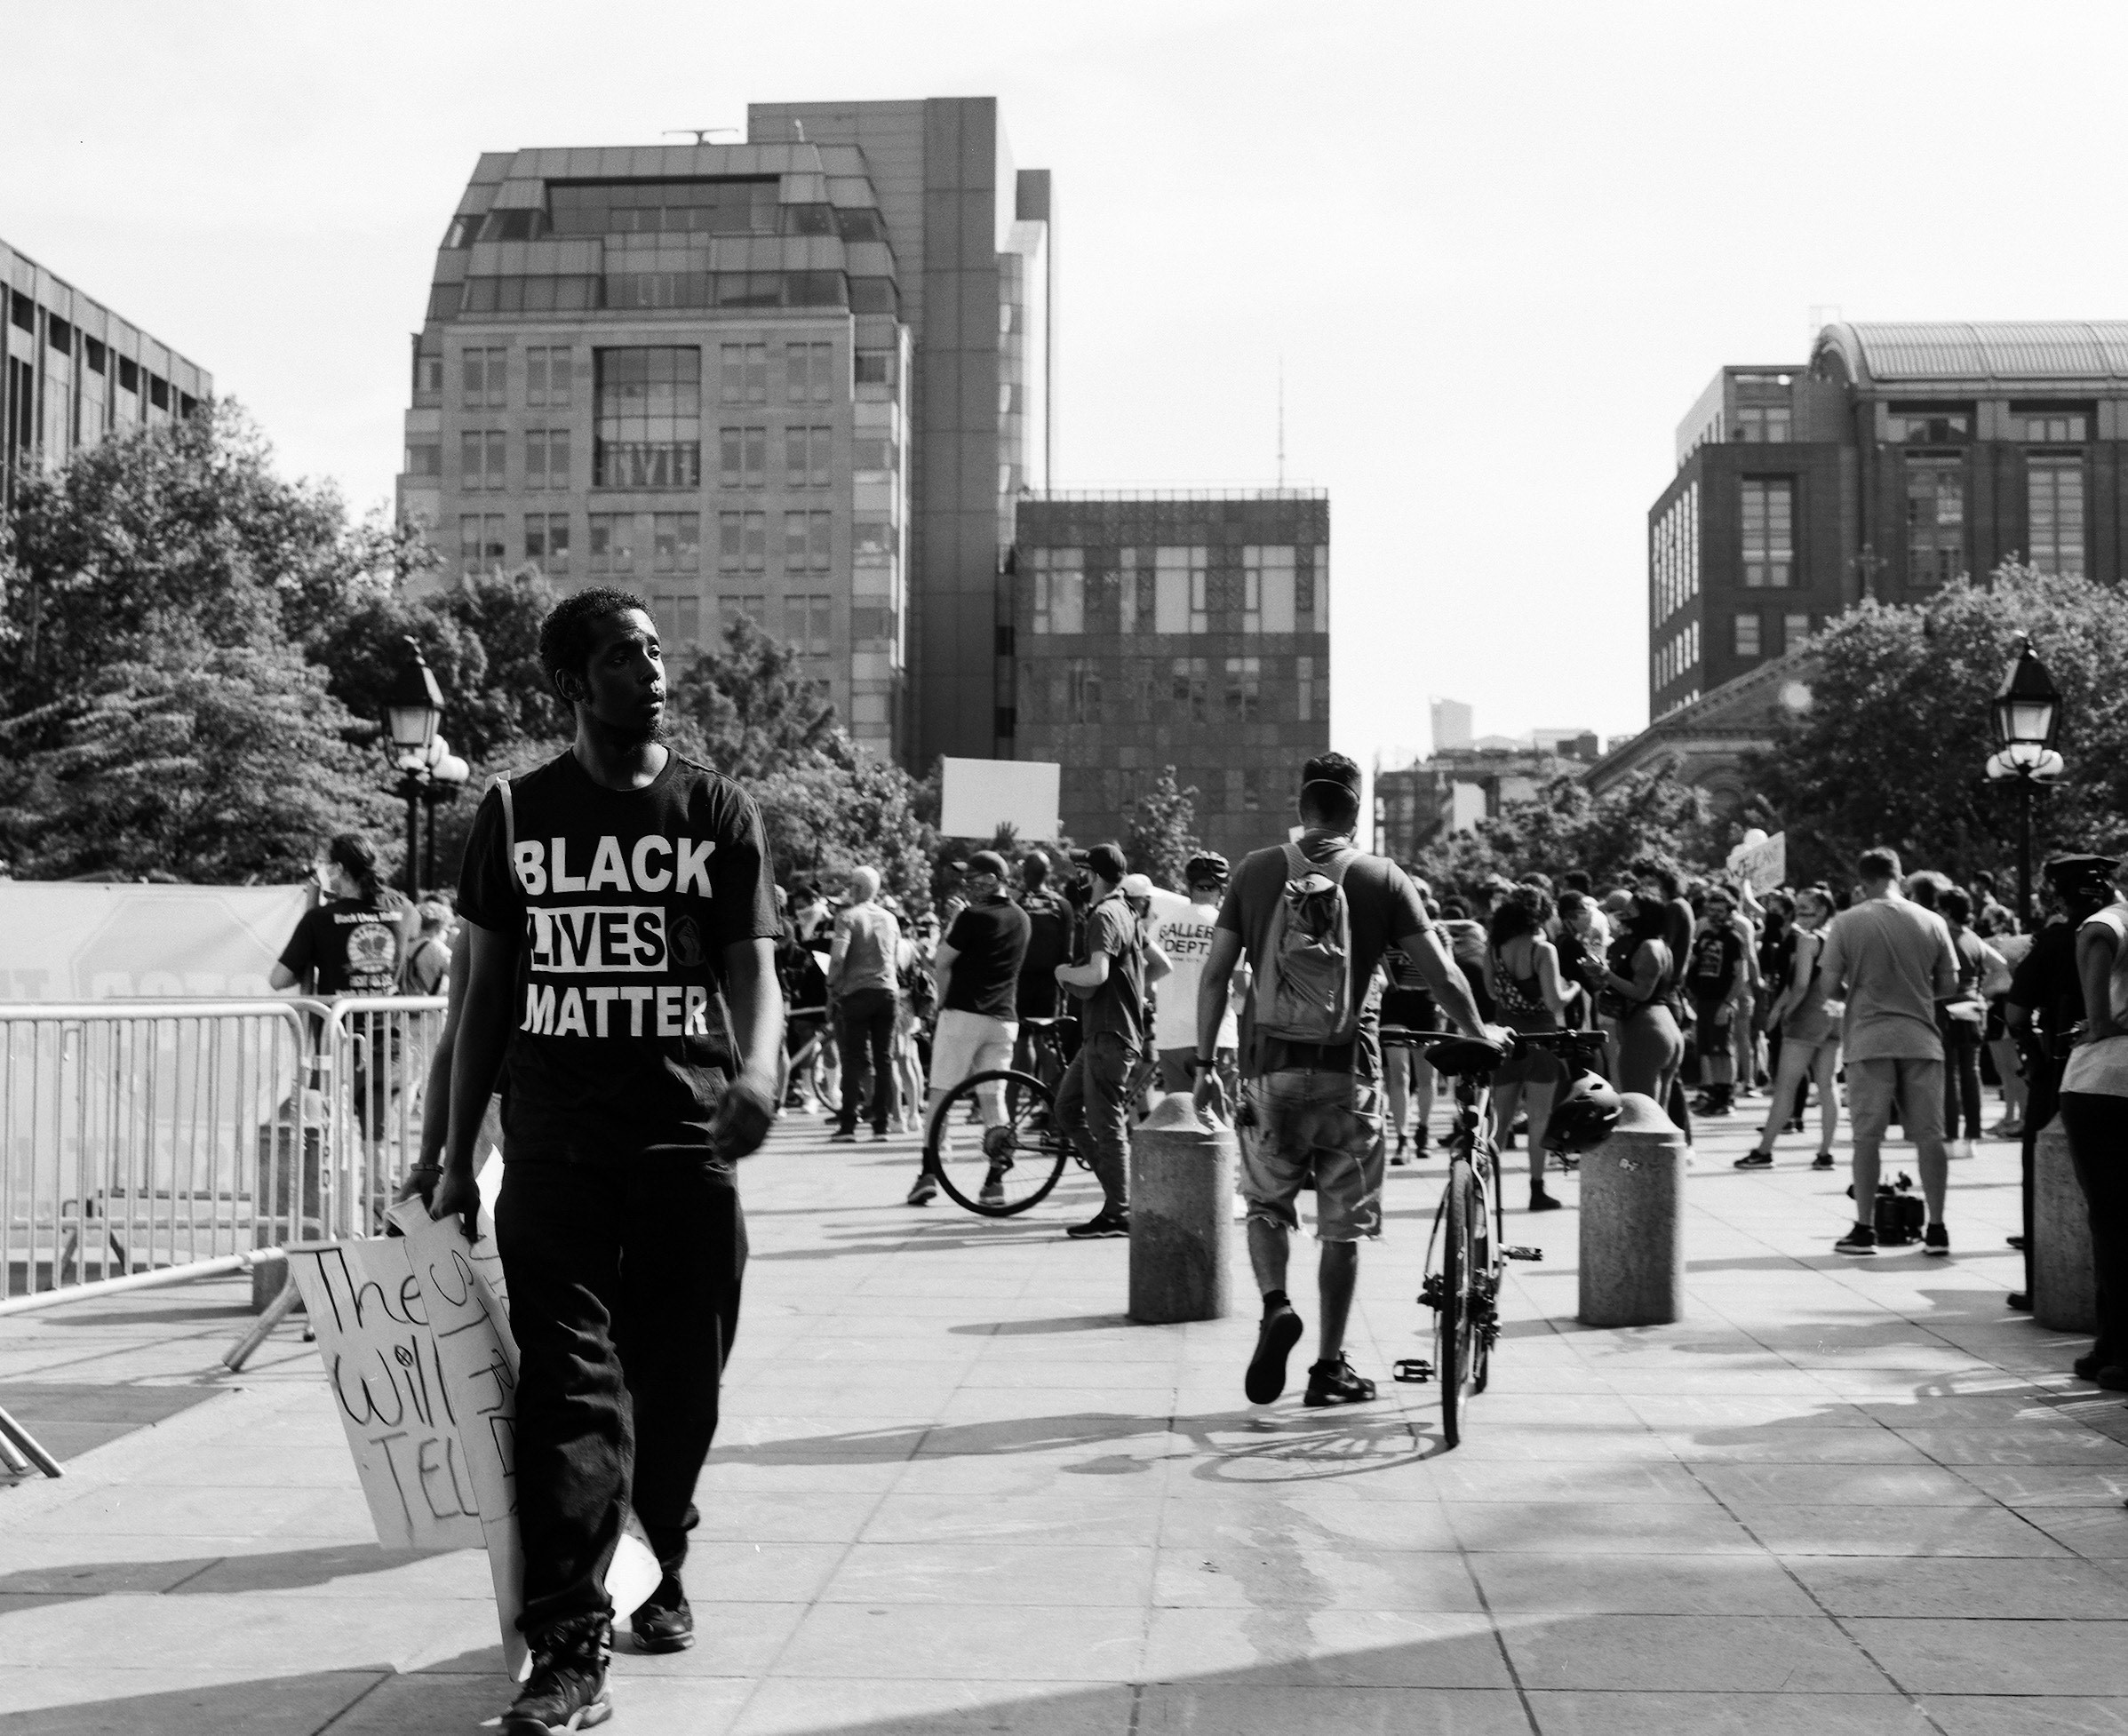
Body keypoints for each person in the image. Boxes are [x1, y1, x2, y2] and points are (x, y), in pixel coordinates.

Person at [408, 587, 781, 1733]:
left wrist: (757, 1074)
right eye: (625, 655)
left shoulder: (716, 809)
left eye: (658, 650)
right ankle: (566, 1644)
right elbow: (480, 1002)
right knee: (572, 1390)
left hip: (686, 1142)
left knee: (681, 1384)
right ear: (575, 683)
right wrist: (448, 1152)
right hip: (558, 1152)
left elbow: (752, 967)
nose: (653, 669)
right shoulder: (516, 812)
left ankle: (660, 1550)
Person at [1192, 753, 1502, 1409]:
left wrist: (1201, 1066)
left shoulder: (1252, 871)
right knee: (1343, 1227)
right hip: (1349, 1076)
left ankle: (1275, 1305)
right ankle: (1329, 1367)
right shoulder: (1381, 878)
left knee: (1267, 1206)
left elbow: (1215, 974)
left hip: (1267, 1074)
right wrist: (1478, 1032)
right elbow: (1443, 975)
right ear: (1355, 811)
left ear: (1300, 804)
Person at [1815, 846, 1960, 1257]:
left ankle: (1864, 1230)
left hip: (1868, 1038)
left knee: (1867, 1138)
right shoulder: (1932, 920)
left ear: (1863, 881)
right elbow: (1949, 984)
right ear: (1900, 876)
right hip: (1921, 1037)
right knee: (1930, 1137)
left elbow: (1828, 988)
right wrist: (1915, 993)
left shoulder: (1847, 921)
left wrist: (1859, 995)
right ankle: (1936, 1228)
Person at [2007, 856, 2120, 1308]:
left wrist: (2031, 1054)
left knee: (2044, 1173)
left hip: (2068, 1073)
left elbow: (2015, 1014)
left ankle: (2043, 1288)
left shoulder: (2058, 941)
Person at [271, 832, 417, 1169]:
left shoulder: (320, 919)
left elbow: (279, 979)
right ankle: (378, 1216)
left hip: (338, 1046)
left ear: (336, 868)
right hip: (389, 1046)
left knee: (327, 1143)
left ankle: (334, 1219)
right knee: (377, 1147)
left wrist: (314, 904)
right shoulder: (404, 909)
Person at [1051, 847, 1169, 1238]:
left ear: (1094, 875)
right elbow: (1159, 965)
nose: (1078, 878)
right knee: (1067, 1109)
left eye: (1082, 870)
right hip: (1106, 1033)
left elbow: (1097, 974)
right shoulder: (1128, 913)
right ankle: (1121, 1193)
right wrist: (1133, 993)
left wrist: (1063, 971)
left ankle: (1119, 1211)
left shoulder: (1104, 914)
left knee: (1107, 1126)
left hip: (1108, 1034)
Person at [907, 851, 1029, 1206]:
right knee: (993, 1099)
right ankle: (995, 1182)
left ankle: (928, 1174)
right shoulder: (1022, 918)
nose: (968, 885)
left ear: (993, 880)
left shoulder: (971, 916)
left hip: (963, 1014)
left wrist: (940, 1008)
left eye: (973, 878)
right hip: (1004, 1019)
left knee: (941, 1096)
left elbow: (940, 961)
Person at [2052, 855, 2128, 1391]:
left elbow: (2099, 1020)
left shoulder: (2103, 925)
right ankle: (2110, 1345)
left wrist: (2095, 1025)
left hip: (2104, 1084)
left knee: (2113, 1220)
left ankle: (2118, 1348)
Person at [1735, 885, 1842, 1169]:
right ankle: (1825, 1153)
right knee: (1827, 1086)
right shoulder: (1842, 936)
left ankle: (1764, 1150)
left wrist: (1785, 1014)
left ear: (1822, 911)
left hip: (1808, 1015)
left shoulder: (1809, 941)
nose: (1801, 915)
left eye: (1806, 908)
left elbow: (1800, 985)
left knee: (1786, 1086)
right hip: (1836, 1014)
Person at [1483, 888, 1571, 1212]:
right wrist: (1573, 989)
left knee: (1499, 1121)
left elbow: (1492, 992)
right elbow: (1554, 1001)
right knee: (1539, 1118)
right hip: (1542, 1040)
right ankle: (1537, 1189)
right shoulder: (1543, 950)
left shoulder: (1493, 949)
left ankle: (1481, 1187)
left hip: (1506, 1038)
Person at [1145, 852, 1241, 1093]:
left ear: (1188, 886)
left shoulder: (1161, 925)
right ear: (1223, 888)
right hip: (1218, 1038)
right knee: (1219, 1122)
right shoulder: (1227, 926)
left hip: (1172, 1036)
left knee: (1177, 1119)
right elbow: (1243, 986)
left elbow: (1148, 978)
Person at [826, 866, 902, 1144]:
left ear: (857, 888)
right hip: (887, 992)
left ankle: (848, 1124)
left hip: (857, 993)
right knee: (884, 1059)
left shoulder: (847, 917)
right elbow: (894, 956)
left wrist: (832, 986)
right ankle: (881, 1124)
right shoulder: (891, 919)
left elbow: (837, 958)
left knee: (852, 1059)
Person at [1596, 882, 1684, 1112]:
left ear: (1646, 915)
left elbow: (1640, 992)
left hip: (1646, 1032)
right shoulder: (1660, 946)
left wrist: (1606, 974)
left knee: (1641, 1114)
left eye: (1631, 909)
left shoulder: (1649, 947)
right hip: (1663, 1028)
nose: (1624, 914)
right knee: (1659, 1116)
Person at [1938, 887, 2003, 1160]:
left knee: (1949, 1073)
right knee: (1971, 1071)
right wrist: (1981, 992)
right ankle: (1972, 1137)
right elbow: (2000, 966)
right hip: (1974, 1007)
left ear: (1947, 911)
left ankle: (1951, 1137)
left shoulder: (1943, 937)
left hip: (1946, 1006)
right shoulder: (1973, 938)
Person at [1012, 851, 1073, 1087]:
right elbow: (1066, 954)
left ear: (1025, 873)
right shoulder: (1062, 905)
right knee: (1047, 1044)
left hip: (1020, 982)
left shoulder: (1016, 902)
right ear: (1049, 874)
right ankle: (1053, 1111)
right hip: (1050, 984)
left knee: (1021, 1044)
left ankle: (1013, 1112)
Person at [1684, 886, 1746, 1118]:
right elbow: (1694, 965)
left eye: (1720, 910)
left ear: (1730, 912)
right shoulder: (1705, 936)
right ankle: (1713, 1094)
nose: (1715, 914)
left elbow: (1741, 976)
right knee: (1708, 1050)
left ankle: (1726, 1097)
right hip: (1704, 1000)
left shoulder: (1733, 939)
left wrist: (1728, 1003)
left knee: (1723, 1051)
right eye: (1711, 910)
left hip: (1721, 1001)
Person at [402, 899, 454, 996]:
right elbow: (459, 974)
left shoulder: (406, 945)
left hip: (409, 1004)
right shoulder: (437, 948)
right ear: (439, 926)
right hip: (433, 1005)